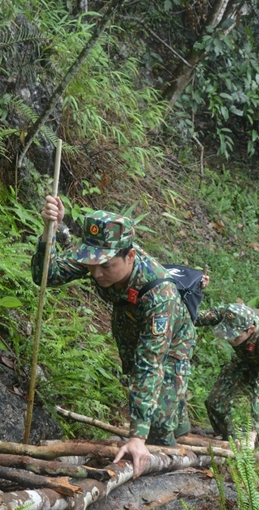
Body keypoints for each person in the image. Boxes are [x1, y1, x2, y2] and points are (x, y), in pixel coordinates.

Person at [33, 198, 196, 478]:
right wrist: (51, 230)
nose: (96, 273)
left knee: (157, 420)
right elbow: (46, 275)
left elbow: (150, 365)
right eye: (91, 264)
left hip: (172, 340)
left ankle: (168, 468)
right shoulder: (98, 259)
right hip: (128, 319)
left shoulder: (161, 296)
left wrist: (137, 437)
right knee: (142, 384)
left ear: (130, 256)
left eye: (106, 266)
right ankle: (176, 416)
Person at [194, 303, 259, 448]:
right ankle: (231, 441)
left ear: (251, 330)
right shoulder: (230, 313)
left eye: (235, 336)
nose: (230, 340)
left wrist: (252, 430)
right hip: (243, 361)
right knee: (214, 402)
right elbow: (199, 316)